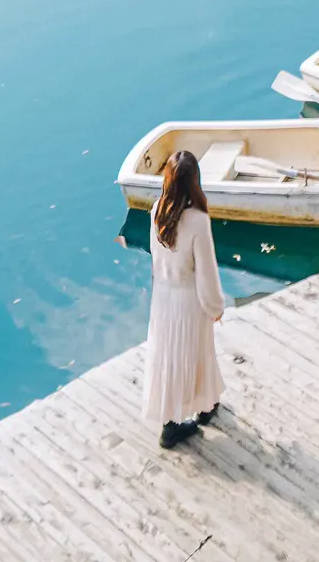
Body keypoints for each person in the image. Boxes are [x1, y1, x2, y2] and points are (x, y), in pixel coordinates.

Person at [143, 149, 225, 449]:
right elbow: (206, 271)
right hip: (189, 300)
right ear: (194, 181)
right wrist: (215, 306)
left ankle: (175, 420)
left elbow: (156, 258)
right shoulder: (198, 220)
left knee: (168, 357)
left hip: (164, 296)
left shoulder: (157, 211)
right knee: (197, 352)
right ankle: (200, 410)